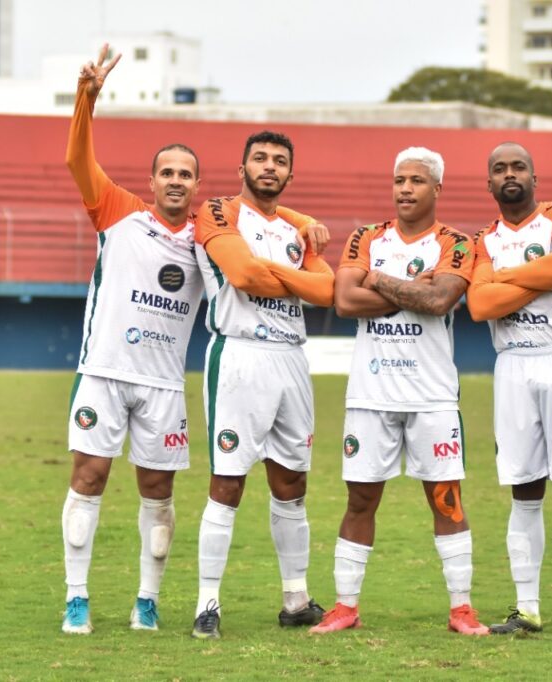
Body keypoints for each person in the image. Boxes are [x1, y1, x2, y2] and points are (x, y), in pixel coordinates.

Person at [309, 147, 488, 636]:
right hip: (371, 395)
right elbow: (344, 300)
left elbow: (439, 299)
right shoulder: (366, 236)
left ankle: (461, 609)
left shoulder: (456, 242)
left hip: (432, 397)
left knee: (447, 500)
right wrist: (413, 288)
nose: (405, 189)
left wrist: (381, 279)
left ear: (437, 189)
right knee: (360, 501)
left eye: (416, 181)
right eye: (399, 180)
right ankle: (345, 607)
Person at [60, 44, 205, 634]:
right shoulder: (119, 211)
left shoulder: (207, 236)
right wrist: (85, 98)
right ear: (151, 181)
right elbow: (76, 163)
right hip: (105, 371)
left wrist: (303, 223)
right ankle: (76, 597)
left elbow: (265, 214)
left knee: (158, 493)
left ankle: (147, 600)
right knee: (88, 480)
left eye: (185, 174)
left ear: (197, 184)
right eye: (166, 172)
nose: (175, 180)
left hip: (164, 384)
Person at [190, 130, 335, 639]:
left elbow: (327, 289)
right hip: (240, 354)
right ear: (242, 168)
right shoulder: (216, 212)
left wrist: (268, 266)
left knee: (292, 484)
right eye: (259, 158)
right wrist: (285, 272)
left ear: (290, 175)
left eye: (278, 161)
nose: (268, 166)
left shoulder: (302, 230)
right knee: (228, 481)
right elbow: (243, 276)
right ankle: (207, 602)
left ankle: (295, 598)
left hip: (291, 360)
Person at [467, 142, 552, 641]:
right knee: (523, 491)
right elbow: (481, 305)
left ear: (534, 176)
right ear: (488, 183)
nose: (510, 174)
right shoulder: (482, 238)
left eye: (518, 166)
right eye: (499, 168)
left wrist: (507, 280)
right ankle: (527, 608)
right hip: (514, 367)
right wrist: (536, 279)